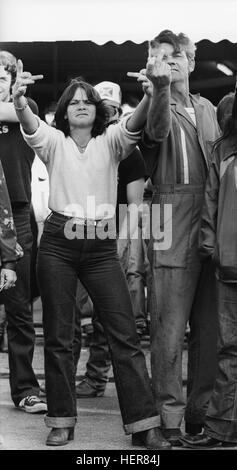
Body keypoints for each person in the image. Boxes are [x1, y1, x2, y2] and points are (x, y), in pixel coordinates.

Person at [12, 58, 172, 448]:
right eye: (74, 102)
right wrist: (18, 100)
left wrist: (152, 95)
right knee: (59, 335)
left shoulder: (112, 140)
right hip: (58, 242)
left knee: (124, 334)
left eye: (88, 101)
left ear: (97, 111)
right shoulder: (53, 141)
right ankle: (62, 421)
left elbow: (135, 126)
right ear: (65, 111)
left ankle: (145, 425)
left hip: (101, 246)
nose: (81, 105)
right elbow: (31, 126)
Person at [137, 30, 220, 445]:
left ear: (191, 60)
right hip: (170, 214)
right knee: (168, 327)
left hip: (212, 218)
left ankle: (199, 417)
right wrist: (158, 90)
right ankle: (168, 422)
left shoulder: (209, 109)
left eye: (174, 57)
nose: (167, 63)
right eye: (159, 58)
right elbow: (154, 130)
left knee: (210, 329)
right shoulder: (154, 103)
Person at [75, 81, 146, 398]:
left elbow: (135, 205)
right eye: (99, 108)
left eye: (111, 109)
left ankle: (96, 378)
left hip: (112, 236)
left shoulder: (129, 152)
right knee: (70, 312)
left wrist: (121, 244)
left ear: (119, 112)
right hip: (77, 233)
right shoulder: (79, 147)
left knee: (107, 316)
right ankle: (67, 381)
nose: (105, 114)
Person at [181, 92, 237, 449]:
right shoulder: (222, 149)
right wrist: (210, 248)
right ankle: (219, 429)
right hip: (230, 265)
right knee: (229, 349)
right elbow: (210, 204)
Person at [0, 51, 47, 413]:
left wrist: (15, 94)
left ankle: (25, 389)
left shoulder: (23, 106)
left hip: (15, 212)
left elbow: (15, 110)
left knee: (18, 310)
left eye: (4, 75)